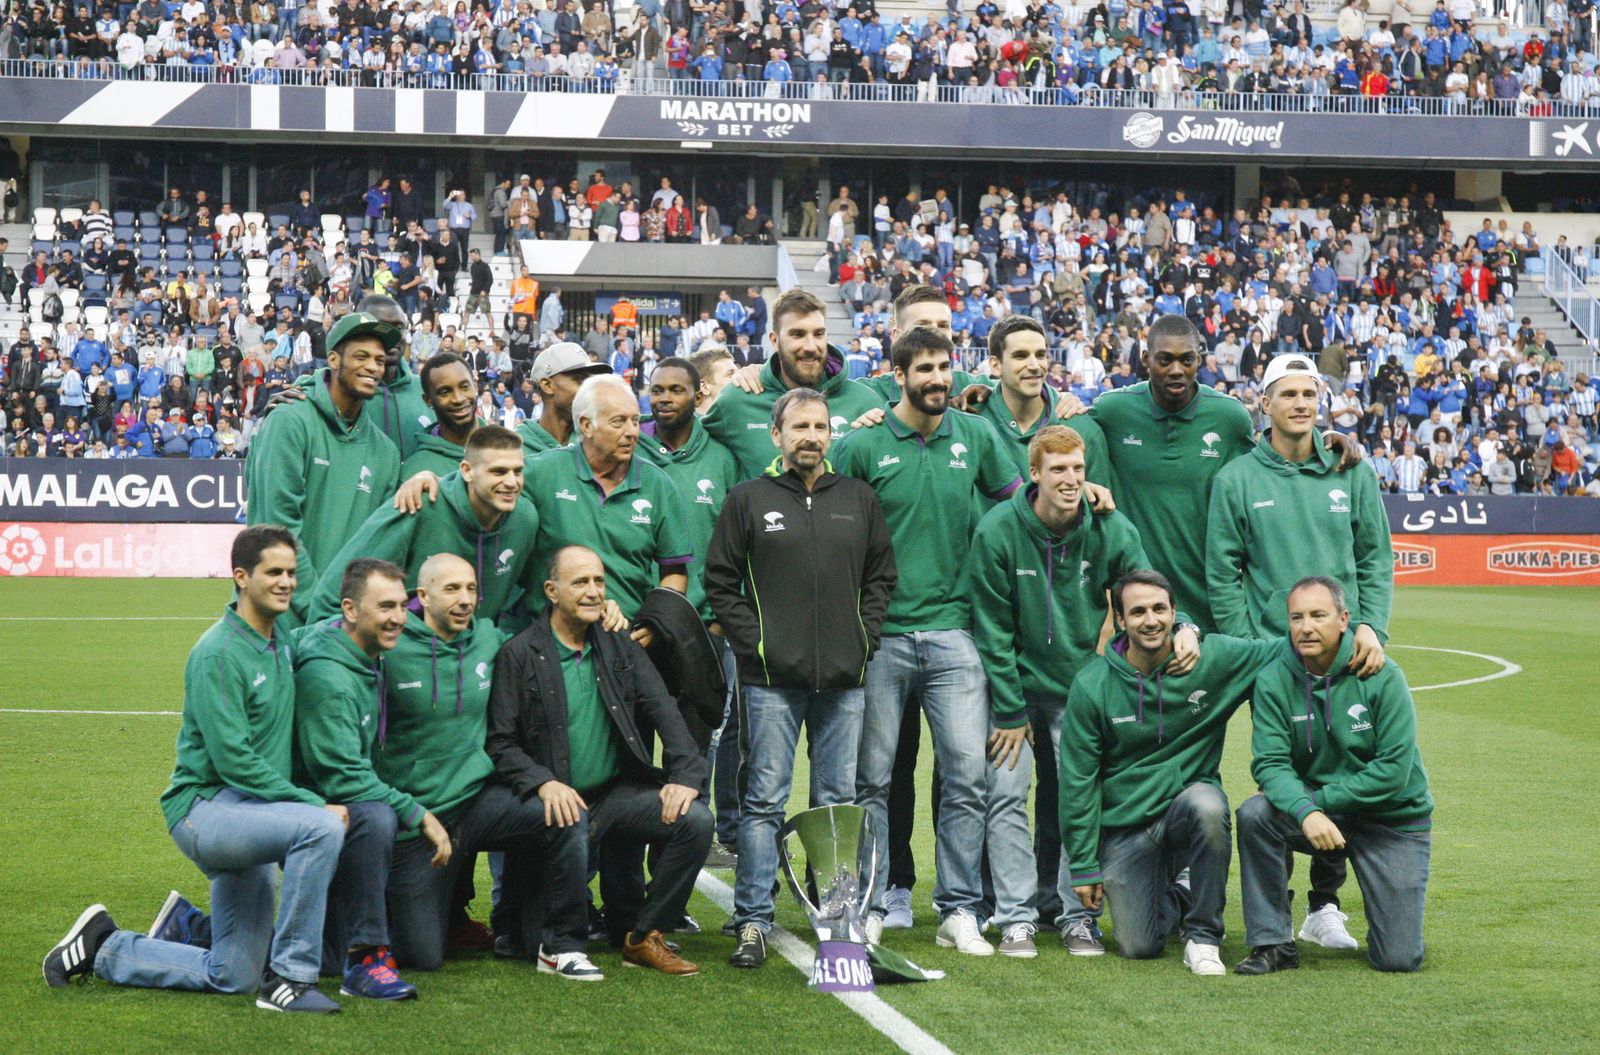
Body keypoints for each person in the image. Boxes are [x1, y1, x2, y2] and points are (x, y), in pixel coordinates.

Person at [43, 527, 347, 1014]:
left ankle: (105, 946)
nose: (287, 582)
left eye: (291, 572)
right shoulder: (218, 653)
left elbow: (339, 584)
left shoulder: (281, 633)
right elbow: (235, 763)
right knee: (320, 828)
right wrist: (311, 803)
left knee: (233, 975)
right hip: (205, 811)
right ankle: (291, 978)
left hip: (252, 814)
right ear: (241, 577)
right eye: (274, 572)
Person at [967, 427, 1198, 956]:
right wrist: (1007, 708)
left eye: (1077, 468)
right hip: (1015, 689)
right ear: (1035, 475)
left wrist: (1184, 624)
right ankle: (1017, 917)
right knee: (1005, 798)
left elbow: (1145, 591)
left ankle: (1076, 916)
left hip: (1080, 690)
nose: (1070, 480)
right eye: (1058, 470)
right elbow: (993, 626)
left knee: (1079, 798)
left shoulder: (1111, 528)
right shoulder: (998, 530)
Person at [830, 326, 1021, 954]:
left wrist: (1088, 496)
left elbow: (1019, 504)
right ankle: (877, 900)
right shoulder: (861, 445)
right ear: (899, 375)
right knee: (874, 781)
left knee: (967, 776)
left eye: (945, 367)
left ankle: (958, 909)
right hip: (881, 635)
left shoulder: (977, 435)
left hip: (955, 634)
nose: (939, 379)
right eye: (926, 370)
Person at [705, 387, 897, 968]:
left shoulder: (858, 499)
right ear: (777, 435)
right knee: (763, 801)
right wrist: (759, 646)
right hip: (769, 681)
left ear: (829, 434)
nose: (811, 436)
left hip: (845, 679)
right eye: (800, 427)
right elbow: (720, 583)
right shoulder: (747, 499)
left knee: (836, 802)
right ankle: (753, 921)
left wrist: (863, 639)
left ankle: (836, 919)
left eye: (820, 427)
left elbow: (881, 578)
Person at [1207, 352, 1391, 949]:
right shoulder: (1236, 478)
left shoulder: (1351, 469)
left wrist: (1370, 627)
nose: (1302, 404)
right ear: (1264, 404)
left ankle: (1325, 904)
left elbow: (1374, 558)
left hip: (1345, 652)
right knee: (1280, 771)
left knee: (1341, 766)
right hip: (1275, 658)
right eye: (1288, 394)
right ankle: (1277, 907)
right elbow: (1223, 573)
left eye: (1310, 394)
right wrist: (1256, 648)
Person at [489, 545, 712, 975]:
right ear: (552, 591)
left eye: (598, 582)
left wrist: (686, 773)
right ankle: (551, 936)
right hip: (552, 806)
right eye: (580, 582)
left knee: (696, 819)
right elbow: (501, 743)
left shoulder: (620, 647)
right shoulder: (518, 653)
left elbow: (663, 708)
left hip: (613, 798)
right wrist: (541, 783)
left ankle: (644, 936)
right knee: (528, 939)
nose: (593, 592)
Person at [377, 555, 595, 978]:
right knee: (421, 955)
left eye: (472, 589)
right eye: (452, 589)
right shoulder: (391, 647)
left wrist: (604, 612)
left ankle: (558, 944)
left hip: (479, 804)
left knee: (566, 815)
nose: (465, 600)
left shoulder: (490, 638)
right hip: (419, 816)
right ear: (422, 596)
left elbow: (553, 630)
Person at [1058, 570, 1280, 974]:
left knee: (1208, 804)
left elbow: (1286, 651)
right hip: (1127, 828)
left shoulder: (1212, 659)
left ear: (1175, 614)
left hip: (1185, 807)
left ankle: (1203, 935)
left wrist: (1359, 635)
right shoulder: (1093, 686)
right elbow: (1078, 782)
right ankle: (1181, 893)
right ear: (1121, 621)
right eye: (1138, 611)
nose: (1151, 620)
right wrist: (1085, 866)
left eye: (1160, 609)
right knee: (1139, 946)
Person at [1236, 577, 1433, 975]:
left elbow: (1393, 773)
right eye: (1297, 617)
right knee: (1255, 814)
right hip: (1320, 814)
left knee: (1398, 959)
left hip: (1390, 819)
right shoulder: (1274, 679)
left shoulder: (1382, 674)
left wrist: (1316, 804)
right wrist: (1307, 812)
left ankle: (1382, 918)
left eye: (1317, 615)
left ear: (1344, 619)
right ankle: (1273, 943)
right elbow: (1270, 765)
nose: (1306, 627)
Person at [291, 558, 454, 1000]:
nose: (399, 618)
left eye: (402, 606)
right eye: (385, 607)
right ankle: (367, 957)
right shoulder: (328, 678)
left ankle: (194, 927)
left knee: (321, 957)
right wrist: (418, 813)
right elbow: (341, 777)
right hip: (304, 811)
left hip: (327, 808)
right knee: (377, 816)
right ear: (349, 609)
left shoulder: (361, 652)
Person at [636, 356, 743, 860]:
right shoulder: (629, 446)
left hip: (705, 631)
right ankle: (627, 887)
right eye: (657, 390)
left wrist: (722, 617)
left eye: (676, 390)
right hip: (642, 632)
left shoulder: (721, 457)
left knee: (693, 754)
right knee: (634, 753)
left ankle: (671, 886)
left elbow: (738, 541)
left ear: (698, 395)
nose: (664, 399)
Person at [245, 312, 402, 626]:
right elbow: (278, 528)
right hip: (282, 624)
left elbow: (379, 546)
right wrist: (322, 608)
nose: (373, 367)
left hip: (343, 630)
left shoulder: (386, 452)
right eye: (361, 356)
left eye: (380, 360)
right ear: (332, 358)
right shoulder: (289, 421)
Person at [307, 426, 540, 628]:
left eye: (517, 471)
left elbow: (519, 600)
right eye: (498, 471)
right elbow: (334, 593)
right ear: (467, 471)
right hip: (406, 663)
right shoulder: (418, 504)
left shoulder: (525, 519)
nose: (511, 482)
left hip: (472, 666)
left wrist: (495, 640)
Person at [523, 374, 692, 620]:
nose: (631, 432)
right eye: (618, 422)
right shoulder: (541, 473)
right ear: (586, 425)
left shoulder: (658, 484)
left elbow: (674, 570)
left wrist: (657, 624)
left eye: (634, 421)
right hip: (551, 644)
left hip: (629, 641)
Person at [702, 289, 881, 480]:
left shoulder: (865, 403)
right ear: (775, 340)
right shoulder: (738, 399)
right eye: (798, 334)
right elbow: (687, 446)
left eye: (818, 334)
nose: (811, 346)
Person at [400, 352, 486, 479]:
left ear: (475, 386)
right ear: (428, 400)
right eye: (445, 392)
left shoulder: (505, 447)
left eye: (464, 387)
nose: (458, 399)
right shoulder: (416, 471)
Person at [517, 342, 612, 456]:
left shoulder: (597, 442)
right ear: (547, 386)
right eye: (581, 380)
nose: (590, 389)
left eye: (592, 381)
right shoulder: (514, 448)